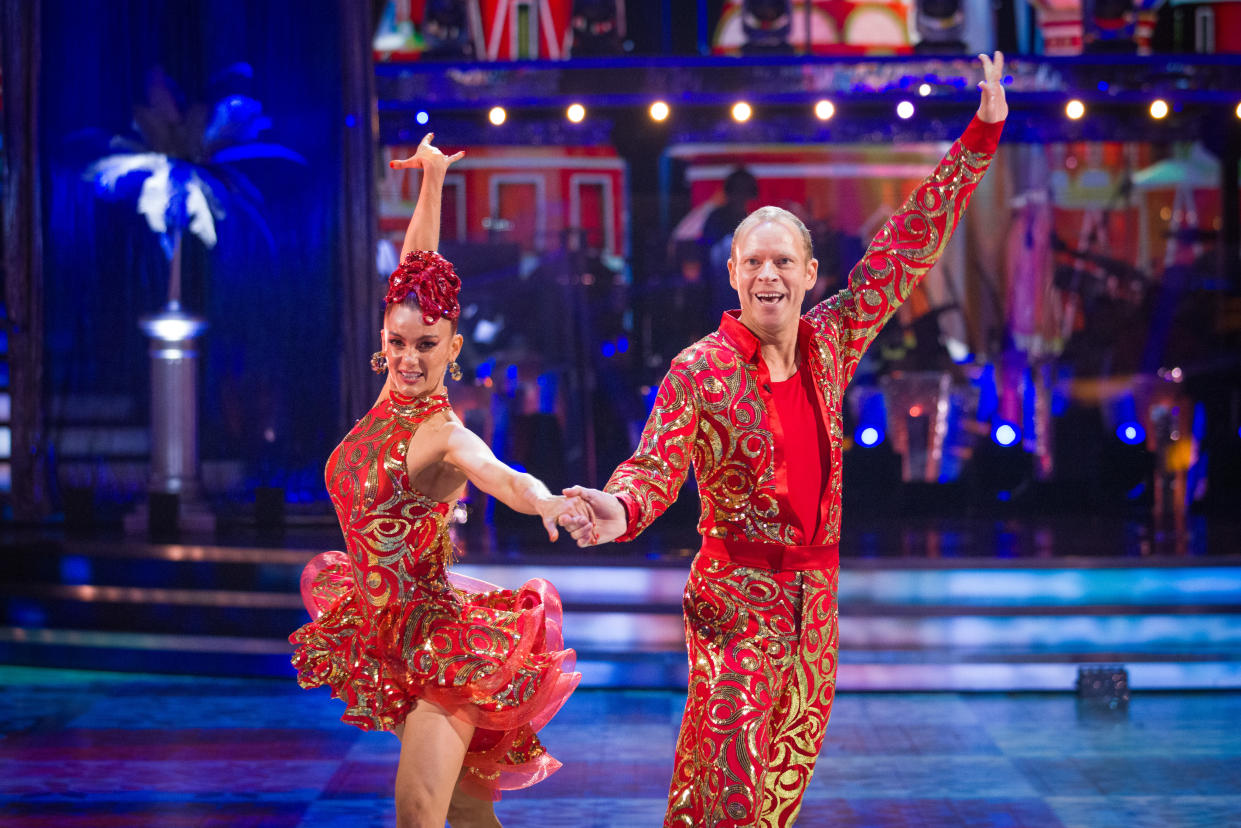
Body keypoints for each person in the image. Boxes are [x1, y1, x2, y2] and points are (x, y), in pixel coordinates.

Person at [562, 53, 1009, 827]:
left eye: (782, 262)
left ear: (808, 274)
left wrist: (980, 136)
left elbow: (907, 244)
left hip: (814, 609)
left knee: (769, 797)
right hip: (733, 603)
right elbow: (653, 467)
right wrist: (616, 508)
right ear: (731, 273)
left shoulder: (830, 342)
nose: (767, 274)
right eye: (753, 262)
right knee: (732, 784)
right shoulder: (697, 370)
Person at [290, 134, 590, 828]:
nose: (407, 357)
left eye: (426, 345)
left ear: (452, 349)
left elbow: (502, 476)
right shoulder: (385, 403)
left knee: (419, 811)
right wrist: (431, 180)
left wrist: (542, 499)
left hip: (438, 645)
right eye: (397, 342)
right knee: (463, 809)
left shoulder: (445, 435)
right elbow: (414, 268)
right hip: (383, 630)